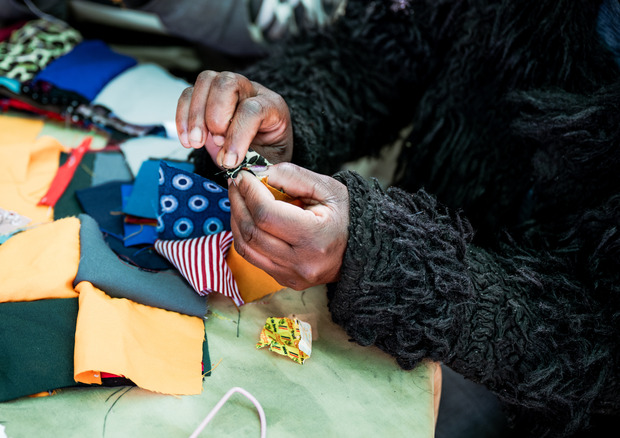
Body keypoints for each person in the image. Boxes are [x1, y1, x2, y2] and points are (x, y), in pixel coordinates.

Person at [175, 0, 620, 437]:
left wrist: (381, 257)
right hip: (408, 303)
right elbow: (373, 52)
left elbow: (598, 344)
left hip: (553, 396)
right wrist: (279, 128)